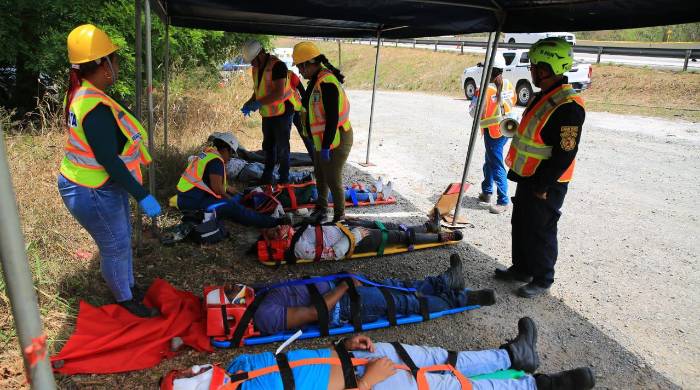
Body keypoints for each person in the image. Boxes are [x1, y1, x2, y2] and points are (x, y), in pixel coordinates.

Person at [166, 318, 596, 390]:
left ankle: (511, 356)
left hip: (360, 361)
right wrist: (368, 383)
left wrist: (342, 347)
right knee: (450, 384)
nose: (196, 368)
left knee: (439, 355)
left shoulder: (239, 369)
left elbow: (298, 364)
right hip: (373, 384)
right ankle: (540, 385)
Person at [57, 24, 161, 317]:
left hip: (98, 185)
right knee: (114, 244)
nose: (117, 65)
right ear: (102, 65)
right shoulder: (93, 105)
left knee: (121, 237)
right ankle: (124, 302)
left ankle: (127, 288)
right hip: (90, 189)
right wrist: (142, 195)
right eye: (114, 59)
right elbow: (109, 160)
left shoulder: (86, 93)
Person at [497, 38, 586, 298]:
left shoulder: (568, 107)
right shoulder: (546, 95)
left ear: (547, 68)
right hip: (529, 175)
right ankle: (522, 268)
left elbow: (565, 152)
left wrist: (544, 185)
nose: (532, 70)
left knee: (542, 229)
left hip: (547, 182)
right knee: (522, 222)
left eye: (535, 66)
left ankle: (543, 278)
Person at [248, 254, 492, 335]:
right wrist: (345, 287)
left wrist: (342, 281)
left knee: (395, 284)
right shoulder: (264, 315)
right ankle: (461, 298)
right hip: (341, 307)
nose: (231, 293)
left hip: (337, 290)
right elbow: (315, 312)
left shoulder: (256, 296)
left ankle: (446, 281)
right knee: (402, 302)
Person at [175, 132, 291, 228]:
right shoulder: (216, 161)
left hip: (187, 198)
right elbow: (217, 189)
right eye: (231, 154)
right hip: (193, 203)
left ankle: (259, 209)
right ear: (226, 149)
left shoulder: (207, 155)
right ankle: (273, 222)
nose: (230, 158)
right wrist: (230, 199)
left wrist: (230, 190)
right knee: (233, 207)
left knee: (238, 198)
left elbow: (206, 181)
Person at [293, 41, 353, 223]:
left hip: (337, 138)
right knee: (320, 175)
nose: (300, 72)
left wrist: (326, 146)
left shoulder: (327, 83)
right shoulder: (315, 81)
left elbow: (333, 118)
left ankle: (339, 216)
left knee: (333, 177)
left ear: (308, 64)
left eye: (300, 68)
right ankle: (321, 209)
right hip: (323, 140)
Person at [240, 40, 301, 185]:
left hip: (283, 112)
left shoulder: (277, 66)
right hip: (268, 113)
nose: (251, 64)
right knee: (268, 146)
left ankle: (284, 179)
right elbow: (258, 89)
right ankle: (267, 177)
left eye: (252, 61)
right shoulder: (256, 68)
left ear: (260, 55)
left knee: (282, 147)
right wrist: (250, 101)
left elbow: (279, 93)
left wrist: (258, 103)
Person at [286, 216, 461, 261]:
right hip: (354, 241)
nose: (279, 227)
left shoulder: (293, 231)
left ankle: (428, 227)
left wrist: (342, 223)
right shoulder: (299, 248)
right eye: (275, 232)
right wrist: (356, 234)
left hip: (346, 228)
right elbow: (334, 253)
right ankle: (439, 237)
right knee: (397, 236)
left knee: (391, 226)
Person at [470, 56, 517, 214]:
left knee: (495, 164)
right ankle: (487, 191)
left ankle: (503, 201)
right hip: (506, 129)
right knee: (489, 160)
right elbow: (514, 101)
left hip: (492, 132)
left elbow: (473, 112)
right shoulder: (509, 84)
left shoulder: (483, 89)